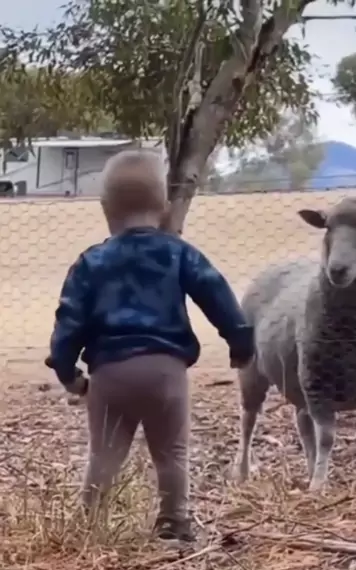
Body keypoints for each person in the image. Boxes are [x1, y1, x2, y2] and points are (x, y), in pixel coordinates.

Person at [45, 148, 254, 542]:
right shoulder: (178, 253)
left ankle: (89, 527)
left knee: (104, 454)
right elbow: (217, 294)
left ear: (105, 208)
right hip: (166, 371)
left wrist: (67, 371)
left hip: (109, 373)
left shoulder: (91, 263)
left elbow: (69, 320)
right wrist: (239, 341)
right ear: (164, 206)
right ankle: (175, 523)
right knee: (172, 452)